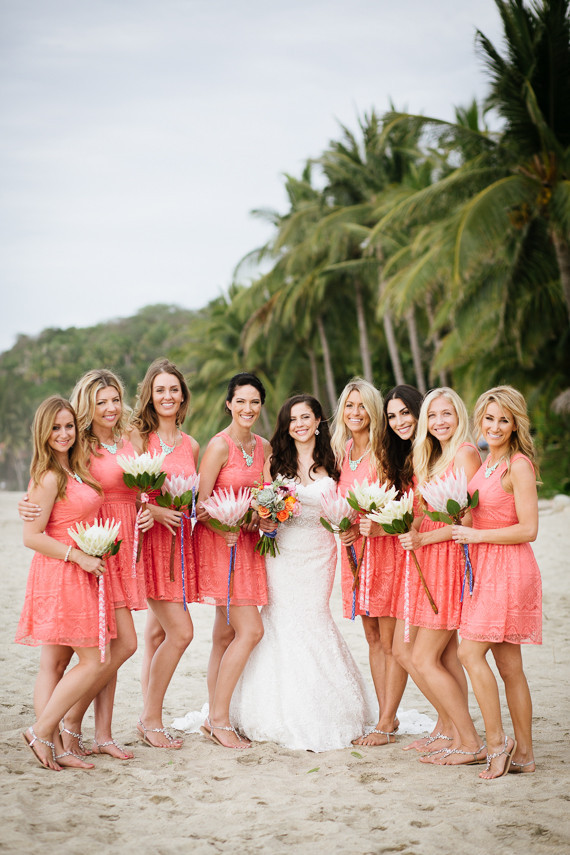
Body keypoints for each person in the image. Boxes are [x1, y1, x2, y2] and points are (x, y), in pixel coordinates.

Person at [18, 370, 154, 761]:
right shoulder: (61, 463)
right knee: (75, 657)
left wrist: (145, 508)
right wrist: (29, 506)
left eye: (115, 400)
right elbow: (35, 525)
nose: (110, 407)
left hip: (100, 556)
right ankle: (52, 732)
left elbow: (115, 492)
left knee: (73, 657)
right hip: (73, 563)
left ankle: (61, 737)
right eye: (101, 401)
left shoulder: (81, 460)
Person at [231, 394, 373, 751]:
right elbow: (261, 508)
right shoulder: (275, 461)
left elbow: (347, 502)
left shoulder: (335, 460)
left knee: (314, 616)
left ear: (318, 420)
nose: (299, 424)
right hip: (283, 553)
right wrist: (265, 519)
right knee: (280, 618)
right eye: (293, 419)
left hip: (320, 552)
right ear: (286, 425)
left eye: (306, 417)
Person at [16, 397, 114, 770]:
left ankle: (55, 747)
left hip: (75, 570)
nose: (63, 433)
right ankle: (42, 731)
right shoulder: (49, 476)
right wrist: (80, 557)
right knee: (94, 660)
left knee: (55, 663)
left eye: (68, 426)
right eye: (55, 427)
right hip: (63, 572)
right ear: (43, 432)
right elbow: (31, 536)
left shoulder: (73, 468)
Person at [452, 386, 542, 779]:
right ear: (480, 420)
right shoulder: (486, 462)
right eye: (489, 418)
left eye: (504, 420)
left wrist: (477, 535)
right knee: (509, 666)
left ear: (515, 424)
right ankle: (525, 754)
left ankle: (496, 743)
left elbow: (529, 529)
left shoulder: (518, 466)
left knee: (468, 653)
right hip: (485, 567)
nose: (495, 426)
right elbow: (478, 514)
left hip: (508, 568)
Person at [396, 387, 485, 765]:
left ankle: (470, 740)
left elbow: (469, 522)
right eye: (432, 416)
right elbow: (421, 512)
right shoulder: (430, 456)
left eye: (446, 413)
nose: (439, 421)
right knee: (444, 657)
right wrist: (401, 526)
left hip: (450, 561)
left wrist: (423, 538)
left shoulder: (465, 453)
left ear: (459, 415)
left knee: (422, 657)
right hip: (427, 561)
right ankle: (450, 730)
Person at [195, 373, 270, 749]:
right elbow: (199, 505)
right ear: (229, 404)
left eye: (254, 402)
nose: (247, 408)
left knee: (224, 636)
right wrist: (223, 524)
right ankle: (219, 720)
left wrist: (262, 515)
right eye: (241, 401)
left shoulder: (264, 446)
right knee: (251, 631)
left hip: (250, 545)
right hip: (221, 546)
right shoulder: (218, 446)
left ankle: (213, 716)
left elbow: (268, 494)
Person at [331, 379, 404, 746]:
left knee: (390, 642)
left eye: (362, 406)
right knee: (373, 638)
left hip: (386, 552)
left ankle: (387, 722)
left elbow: (403, 505)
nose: (355, 412)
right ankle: (385, 715)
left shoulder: (384, 452)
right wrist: (342, 527)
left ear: (374, 411)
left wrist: (378, 524)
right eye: (349, 405)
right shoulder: (341, 453)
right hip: (356, 555)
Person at [131, 358, 199, 748]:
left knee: (157, 633)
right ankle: (151, 720)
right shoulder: (139, 438)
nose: (167, 396)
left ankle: (147, 714)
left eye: (174, 389)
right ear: (150, 396)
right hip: (151, 545)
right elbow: (125, 494)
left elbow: (193, 499)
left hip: (180, 547)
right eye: (160, 390)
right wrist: (155, 511)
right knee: (182, 632)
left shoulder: (191, 445)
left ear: (183, 396)